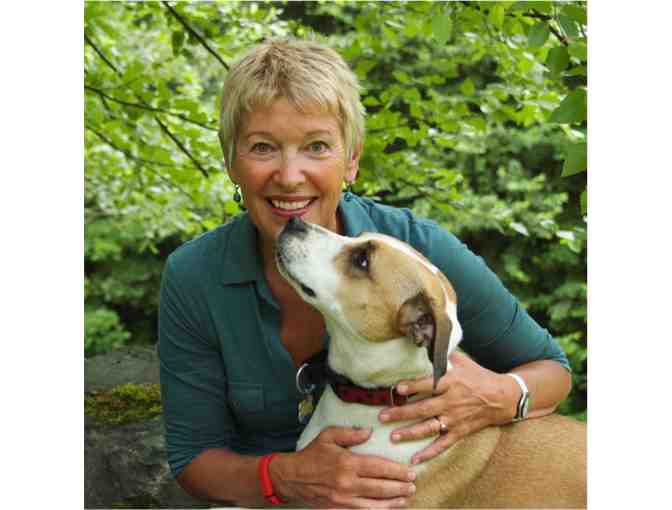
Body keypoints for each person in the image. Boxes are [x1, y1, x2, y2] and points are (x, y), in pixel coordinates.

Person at [158, 38, 572, 509]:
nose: (289, 176)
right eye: (262, 147)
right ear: (230, 159)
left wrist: (496, 395)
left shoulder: (415, 252)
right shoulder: (194, 276)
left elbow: (553, 370)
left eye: (317, 146)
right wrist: (285, 477)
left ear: (351, 159)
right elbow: (193, 458)